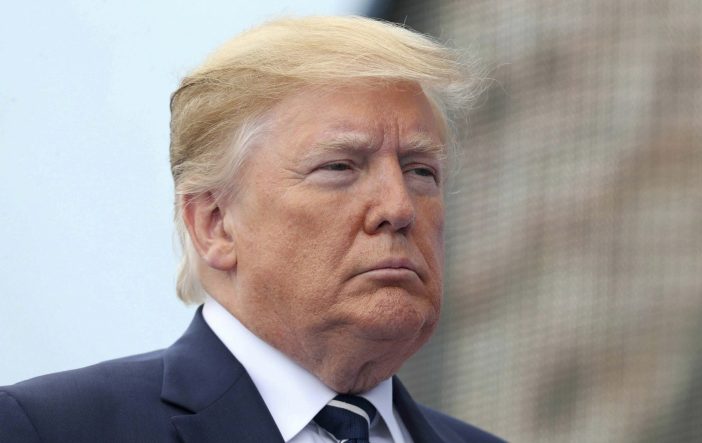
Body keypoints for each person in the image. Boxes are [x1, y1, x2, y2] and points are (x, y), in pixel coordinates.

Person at [0, 16, 503, 443]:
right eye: (339, 167)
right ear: (214, 224)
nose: (398, 207)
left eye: (421, 171)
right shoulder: (48, 428)